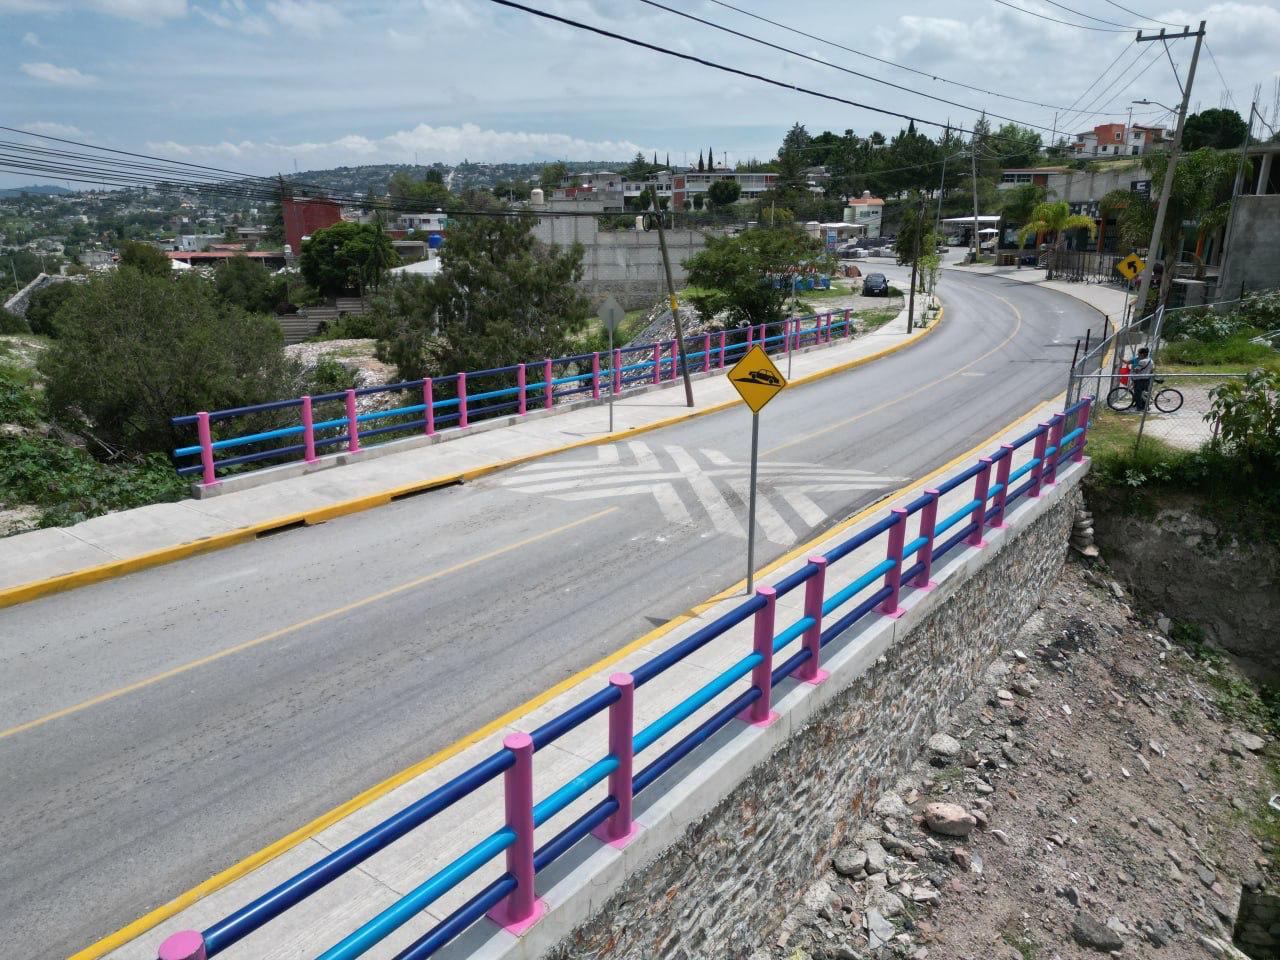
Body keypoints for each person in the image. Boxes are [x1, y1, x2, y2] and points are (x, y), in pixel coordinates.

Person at [1130, 346, 1154, 411]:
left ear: (1142, 354)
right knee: (1144, 393)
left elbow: (1137, 370)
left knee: (1138, 394)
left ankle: (1140, 408)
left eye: (1138, 353)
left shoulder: (1142, 361)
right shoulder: (1150, 360)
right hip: (1147, 379)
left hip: (1139, 380)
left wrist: (1132, 370)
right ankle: (1146, 407)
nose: (1138, 355)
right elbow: (1152, 370)